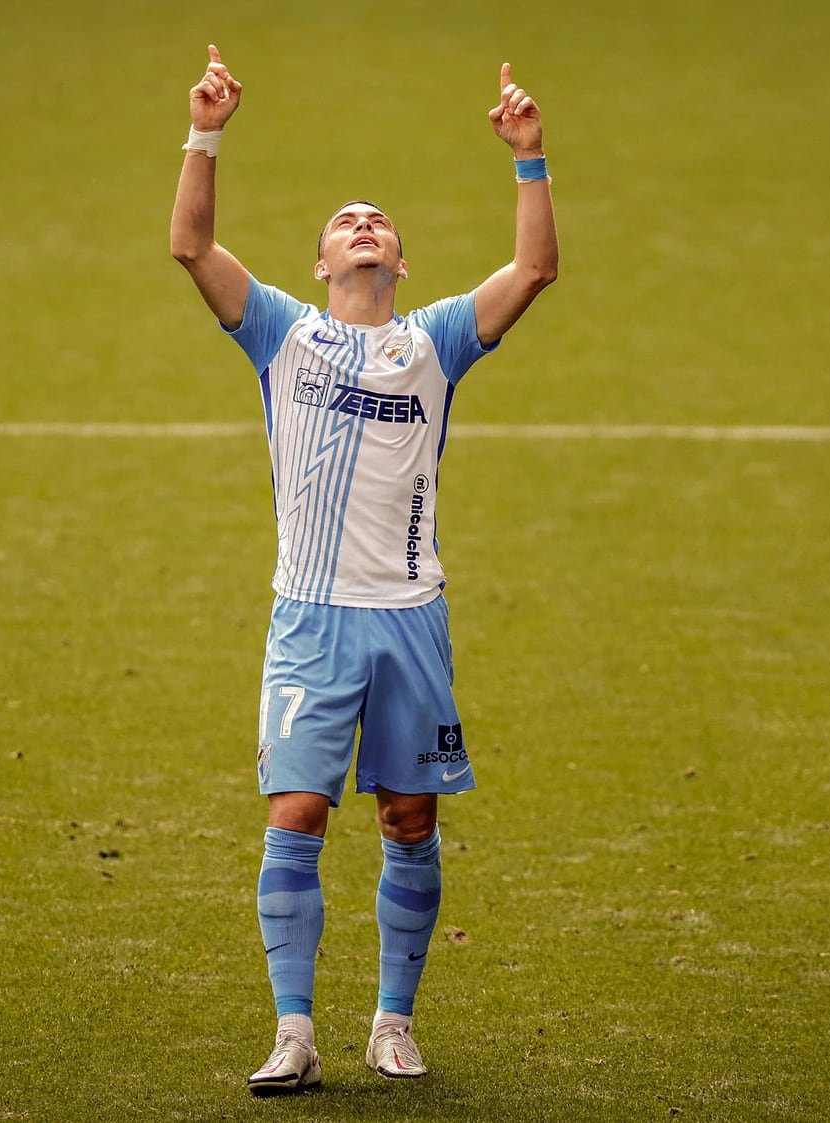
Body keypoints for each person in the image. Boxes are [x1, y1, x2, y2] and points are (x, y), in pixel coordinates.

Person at [169, 43, 558, 1095]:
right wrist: (206, 131)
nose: (364, 224)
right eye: (345, 221)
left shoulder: (433, 341)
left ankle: (392, 1021)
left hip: (407, 618)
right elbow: (188, 244)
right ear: (318, 263)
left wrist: (528, 158)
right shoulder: (278, 336)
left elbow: (532, 273)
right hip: (309, 618)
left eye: (378, 220)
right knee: (293, 811)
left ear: (399, 263)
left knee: (406, 820)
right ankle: (293, 1030)